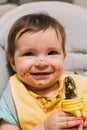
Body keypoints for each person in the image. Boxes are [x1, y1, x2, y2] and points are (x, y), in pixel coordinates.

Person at [0, 13, 87, 130]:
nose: (42, 63)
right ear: (13, 63)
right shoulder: (13, 97)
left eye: (52, 53)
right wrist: (43, 127)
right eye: (29, 54)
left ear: (63, 57)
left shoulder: (81, 84)